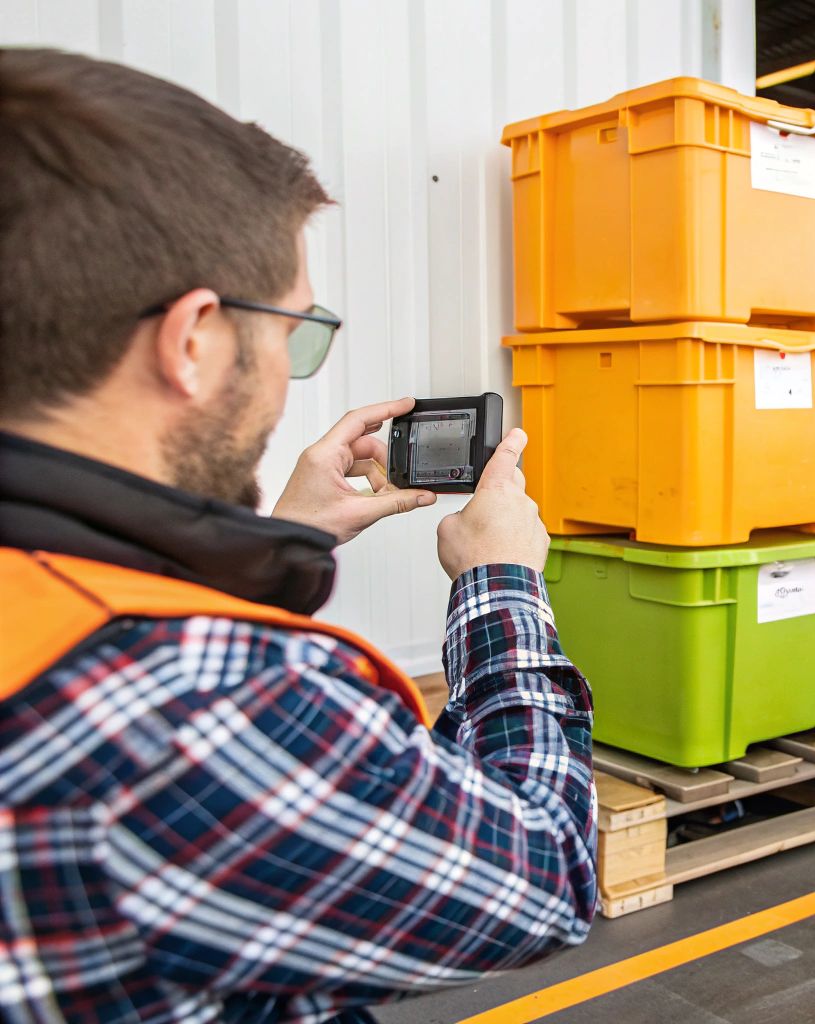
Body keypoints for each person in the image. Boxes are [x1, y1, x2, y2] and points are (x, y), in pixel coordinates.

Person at [0, 49, 597, 1021]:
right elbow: (542, 876)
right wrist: (500, 587)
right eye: (293, 330)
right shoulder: (189, 712)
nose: (289, 369)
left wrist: (277, 538)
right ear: (193, 339)